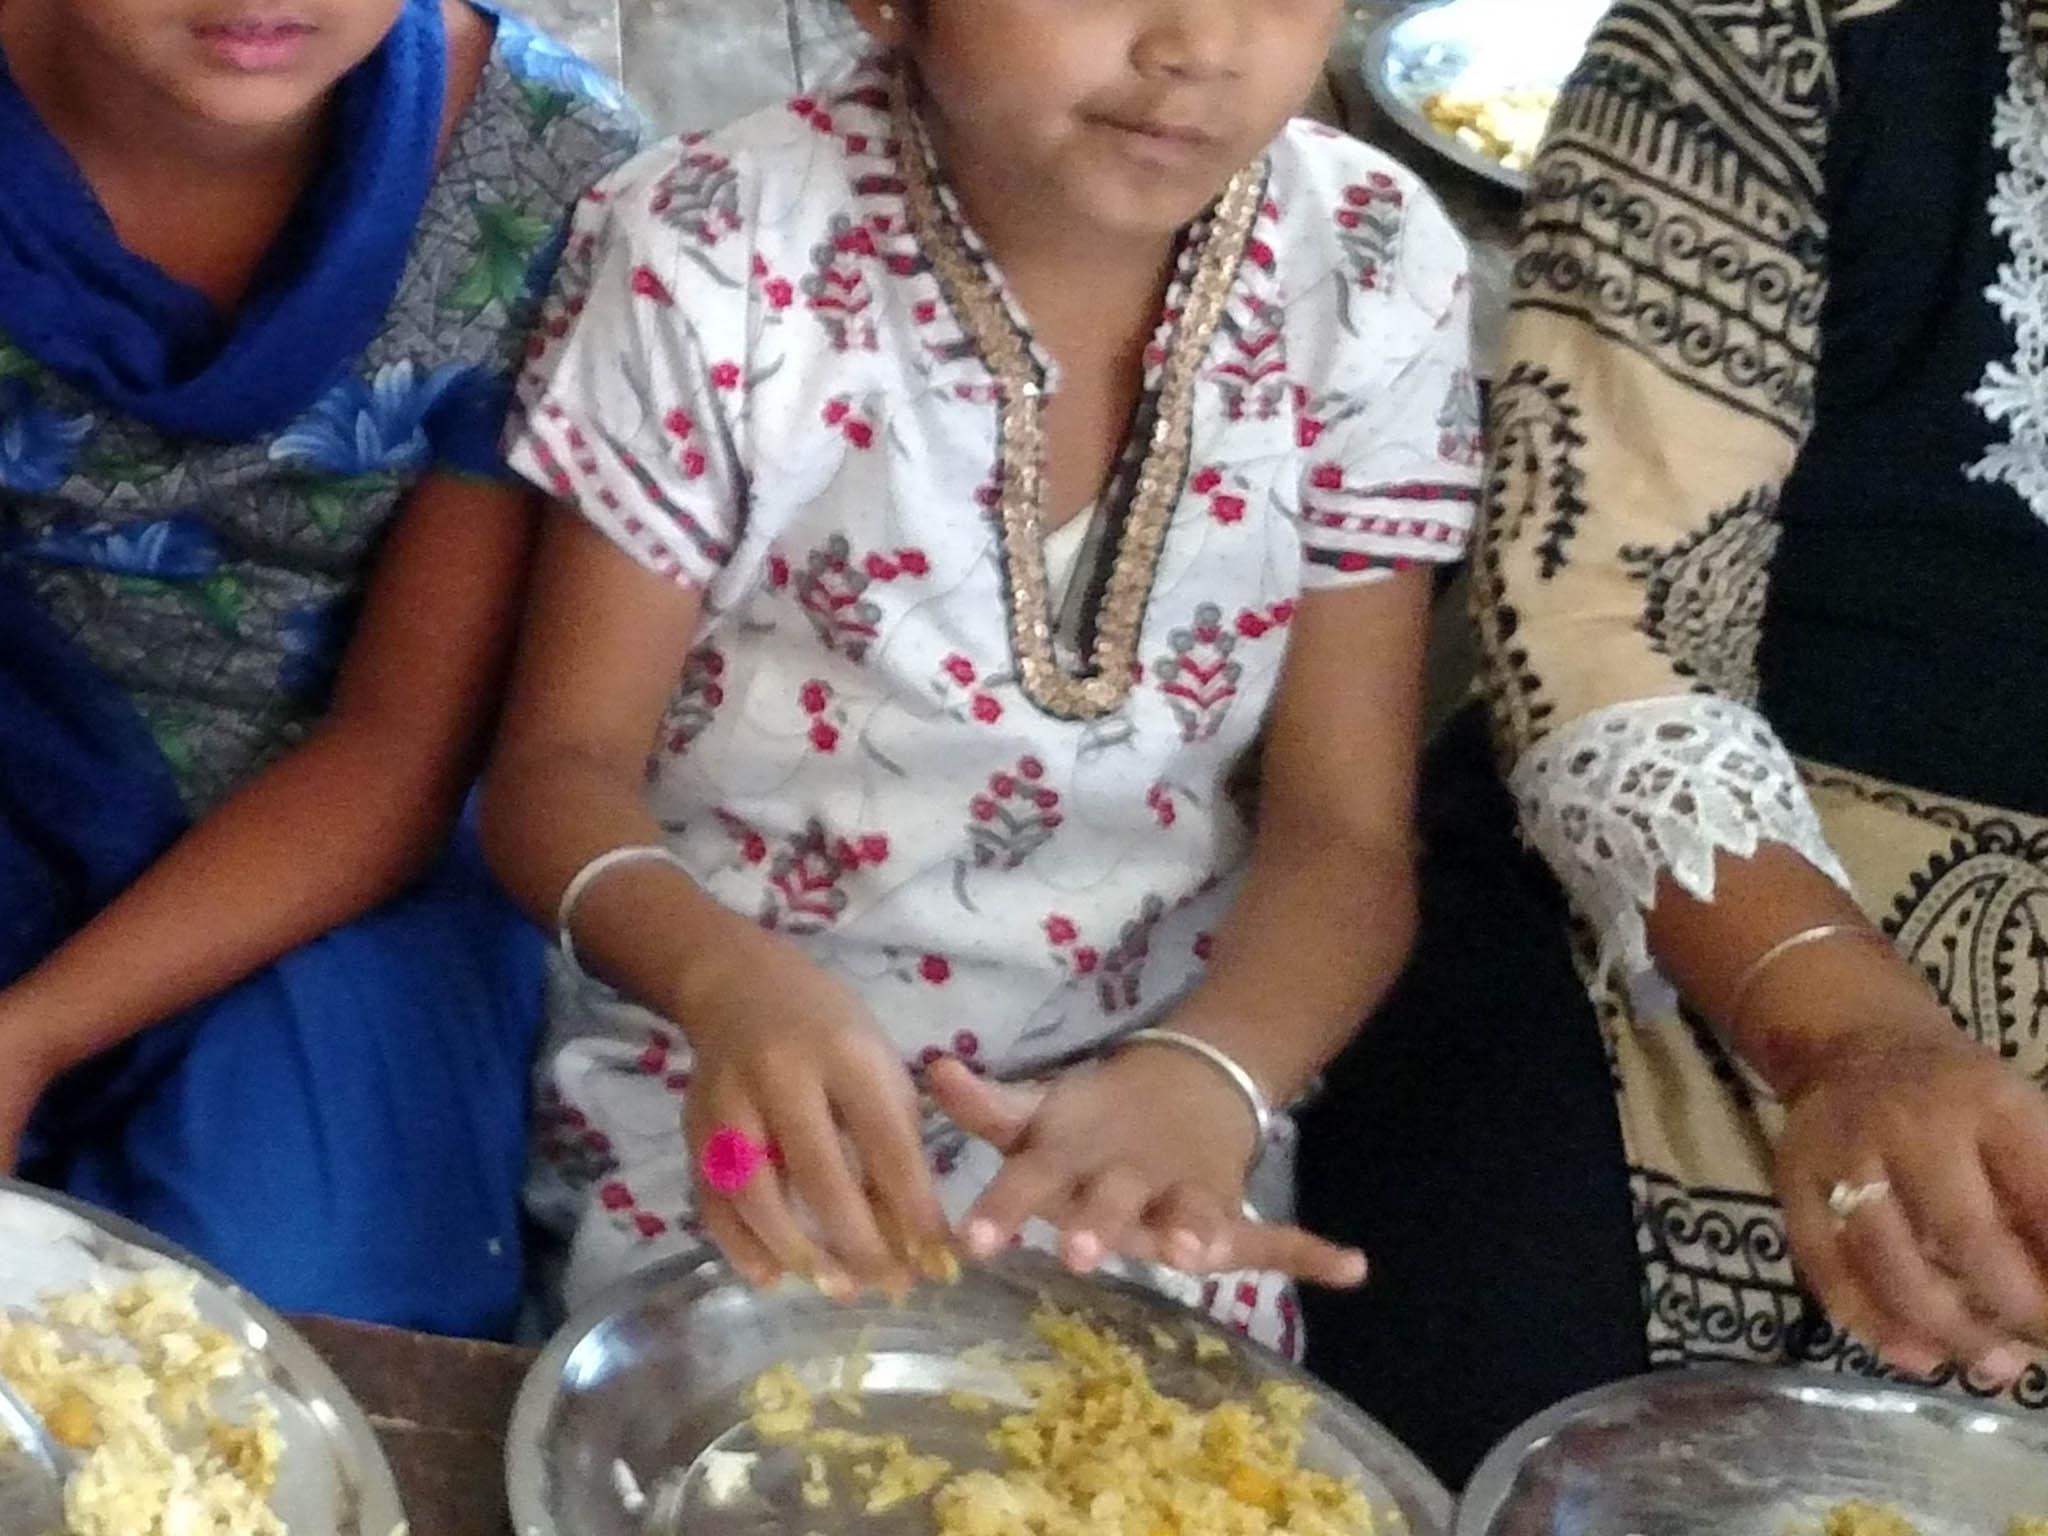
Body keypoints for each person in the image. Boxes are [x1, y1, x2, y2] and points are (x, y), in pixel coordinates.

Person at [481, 0, 1481, 1347]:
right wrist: (724, 984)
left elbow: (1345, 841)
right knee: (752, 1425)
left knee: (1160, 1455)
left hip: (1155, 1078)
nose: (1199, 42)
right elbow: (557, 774)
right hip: (732, 1048)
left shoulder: (1367, 263)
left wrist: (1209, 1076)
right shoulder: (717, 244)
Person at [1298, 0, 2048, 1485]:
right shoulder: (1792, 42)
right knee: (1498, 1450)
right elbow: (1595, 616)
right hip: (1694, 949)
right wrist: (1854, 1034)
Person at [0, 0, 640, 1337]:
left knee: (290, 1305)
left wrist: (31, 1034)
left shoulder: (547, 178)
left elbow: (399, 744)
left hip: (329, 851)